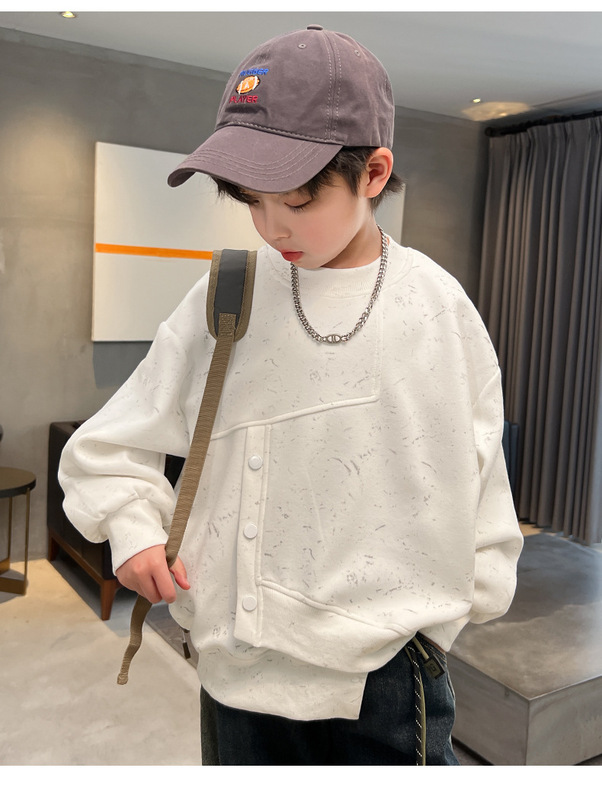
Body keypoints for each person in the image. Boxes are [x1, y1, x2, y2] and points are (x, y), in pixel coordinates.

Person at [59, 25, 523, 765]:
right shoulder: (228, 291)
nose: (273, 226)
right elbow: (111, 445)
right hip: (237, 673)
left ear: (374, 172)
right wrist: (132, 528)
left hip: (387, 679)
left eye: (300, 200)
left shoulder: (437, 309)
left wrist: (431, 633)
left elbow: (481, 486)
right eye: (252, 200)